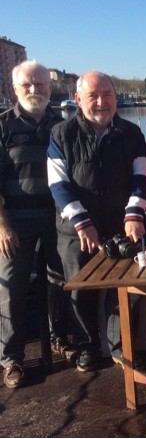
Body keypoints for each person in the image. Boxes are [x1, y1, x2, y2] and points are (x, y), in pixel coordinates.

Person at [48, 71, 146, 372]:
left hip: (121, 226)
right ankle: (87, 347)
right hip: (76, 230)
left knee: (128, 291)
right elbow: (59, 185)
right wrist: (82, 222)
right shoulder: (61, 134)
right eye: (93, 95)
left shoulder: (132, 133)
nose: (101, 101)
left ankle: (122, 348)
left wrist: (134, 213)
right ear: (78, 99)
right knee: (82, 290)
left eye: (107, 94)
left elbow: (142, 177)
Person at [0, 61, 69, 388]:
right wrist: (2, 225)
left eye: (40, 85)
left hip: (57, 219)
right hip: (16, 222)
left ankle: (61, 337)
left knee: (64, 280)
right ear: (15, 88)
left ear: (49, 87)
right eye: (27, 85)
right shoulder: (3, 127)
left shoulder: (63, 124)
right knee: (10, 286)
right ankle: (11, 358)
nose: (34, 90)